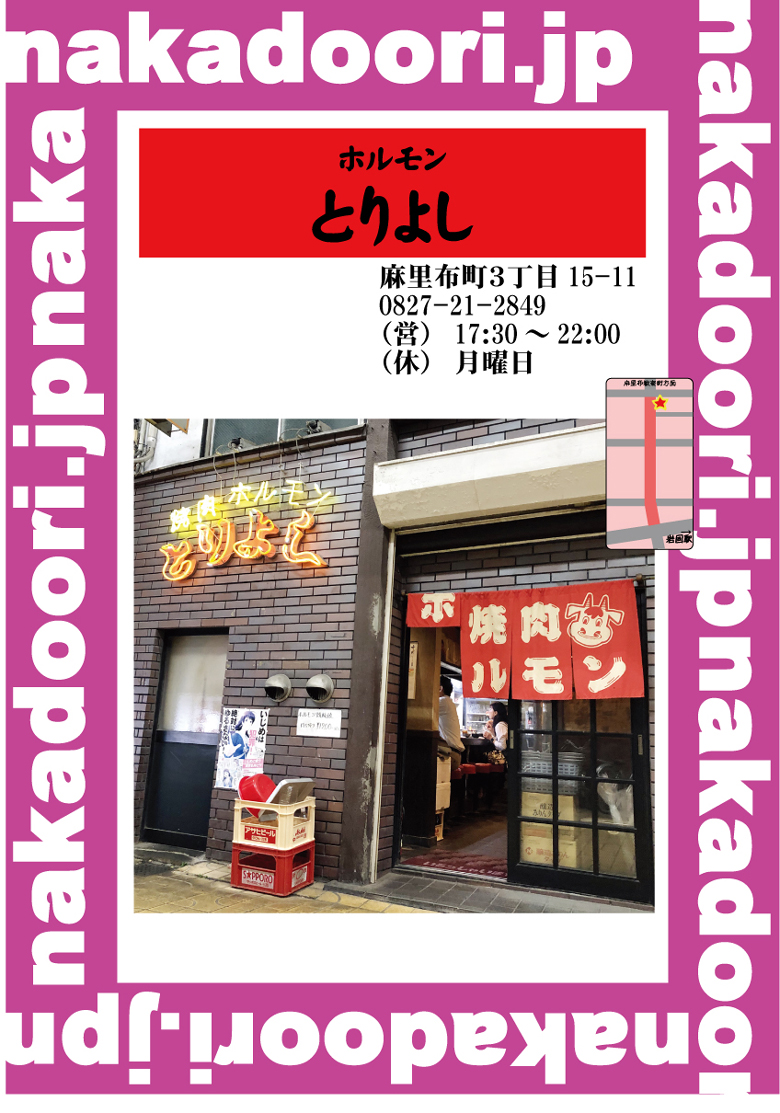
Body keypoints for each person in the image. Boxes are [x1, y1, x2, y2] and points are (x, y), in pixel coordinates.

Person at [438, 675, 465, 771]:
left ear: (440, 688)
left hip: (450, 754)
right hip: (452, 753)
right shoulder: (447, 702)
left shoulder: (443, 701)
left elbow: (425, 708)